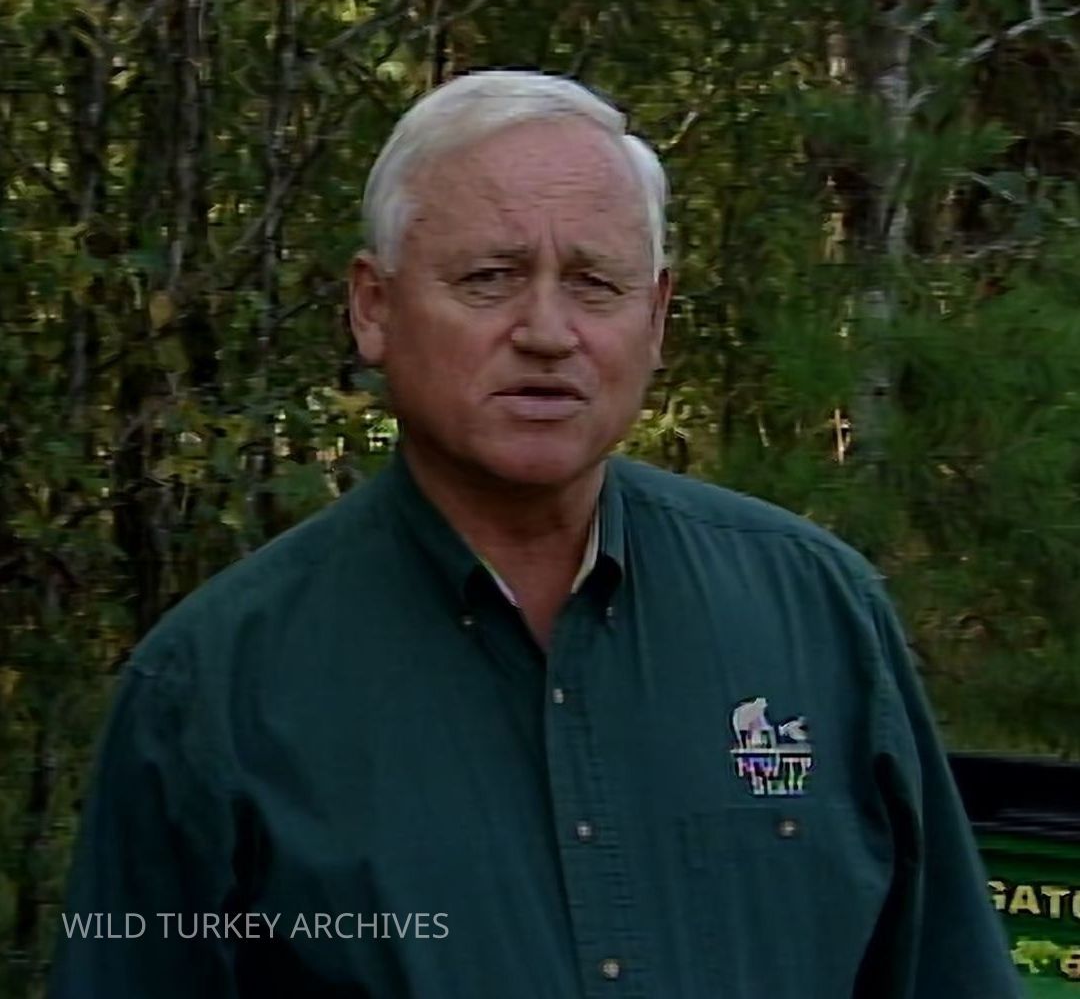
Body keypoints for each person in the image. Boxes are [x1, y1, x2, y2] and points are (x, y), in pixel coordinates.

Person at [48, 69, 1020, 998]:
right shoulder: (214, 695)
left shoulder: (817, 619)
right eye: (490, 278)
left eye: (595, 283)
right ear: (373, 307)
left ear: (656, 317)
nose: (548, 331)